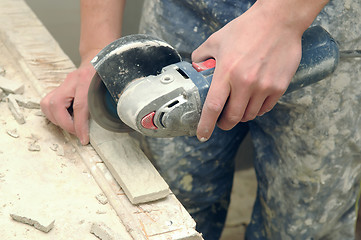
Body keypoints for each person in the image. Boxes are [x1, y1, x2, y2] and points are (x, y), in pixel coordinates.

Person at [41, 0, 361, 239]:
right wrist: (98, 50)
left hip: (317, 16)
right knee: (172, 206)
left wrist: (282, 18)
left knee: (304, 218)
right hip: (183, 13)